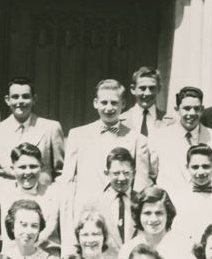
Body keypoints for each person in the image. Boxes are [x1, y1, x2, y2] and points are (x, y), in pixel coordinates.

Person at [61, 80, 151, 237]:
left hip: (123, 218)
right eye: (104, 102)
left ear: (123, 104)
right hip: (86, 216)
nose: (109, 108)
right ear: (95, 103)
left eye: (114, 103)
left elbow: (140, 187)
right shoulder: (78, 136)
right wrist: (68, 227)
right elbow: (68, 184)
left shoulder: (138, 140)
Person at [0, 76, 65, 187]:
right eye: (15, 97)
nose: (20, 101)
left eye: (25, 97)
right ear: (7, 100)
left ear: (34, 99)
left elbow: (60, 172)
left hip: (41, 196)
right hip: (4, 197)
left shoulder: (51, 128)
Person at [150, 86, 212, 195]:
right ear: (177, 109)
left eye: (196, 108)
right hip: (170, 205)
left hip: (205, 203)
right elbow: (150, 175)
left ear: (202, 109)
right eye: (186, 108)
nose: (191, 113)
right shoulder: (160, 137)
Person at [67, 147, 137, 255]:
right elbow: (78, 243)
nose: (122, 178)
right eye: (116, 173)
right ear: (106, 173)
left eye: (126, 173)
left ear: (134, 173)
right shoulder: (92, 205)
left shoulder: (141, 202)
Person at [119, 187, 191, 259]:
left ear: (168, 214)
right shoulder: (127, 250)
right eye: (147, 213)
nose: (153, 219)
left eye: (159, 213)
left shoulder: (184, 247)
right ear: (138, 215)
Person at [0, 143, 61, 256]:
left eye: (33, 166)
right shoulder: (2, 197)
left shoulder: (55, 195)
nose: (28, 172)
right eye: (22, 167)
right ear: (12, 169)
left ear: (41, 166)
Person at [169, 144, 212, 249]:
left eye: (206, 166)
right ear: (187, 167)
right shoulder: (177, 197)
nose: (200, 172)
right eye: (195, 167)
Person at [121, 66, 171, 137]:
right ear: (133, 89)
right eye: (142, 88)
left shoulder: (170, 121)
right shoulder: (121, 121)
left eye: (152, 88)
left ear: (159, 89)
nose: (147, 93)